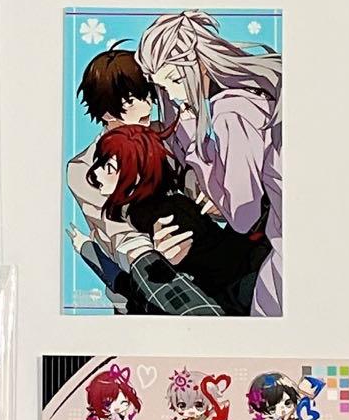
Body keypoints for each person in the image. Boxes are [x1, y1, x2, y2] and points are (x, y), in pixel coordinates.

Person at [136, 10, 282, 315]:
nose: (174, 94)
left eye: (176, 80)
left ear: (199, 61)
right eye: (164, 86)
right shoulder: (255, 92)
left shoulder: (231, 109)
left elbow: (242, 215)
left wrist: (194, 143)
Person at [86, 122, 269, 314]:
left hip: (233, 290)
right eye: (99, 163)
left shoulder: (156, 212)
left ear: (137, 173)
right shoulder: (150, 206)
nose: (96, 173)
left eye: (108, 167)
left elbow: (213, 261)